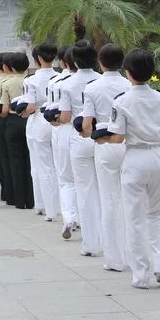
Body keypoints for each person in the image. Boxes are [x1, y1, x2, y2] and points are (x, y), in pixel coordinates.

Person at [107, 49, 160, 290]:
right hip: (157, 155)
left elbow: (117, 138)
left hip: (135, 157)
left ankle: (141, 275)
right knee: (157, 213)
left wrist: (101, 137)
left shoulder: (122, 101)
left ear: (128, 73)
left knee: (135, 218)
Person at [82, 43, 130, 273]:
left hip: (106, 143)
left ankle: (115, 258)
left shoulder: (93, 88)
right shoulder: (130, 84)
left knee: (109, 200)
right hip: (130, 144)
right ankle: (133, 254)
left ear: (100, 62)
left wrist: (90, 134)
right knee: (131, 201)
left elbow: (86, 124)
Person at [58, 40, 103, 256]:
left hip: (79, 138)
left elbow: (65, 117)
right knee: (105, 189)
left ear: (73, 61)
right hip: (103, 138)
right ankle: (106, 236)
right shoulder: (102, 81)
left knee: (84, 190)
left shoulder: (67, 84)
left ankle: (90, 242)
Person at [23, 42, 60, 223]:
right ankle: (58, 205)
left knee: (40, 165)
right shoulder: (59, 77)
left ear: (37, 59)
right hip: (57, 121)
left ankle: (46, 207)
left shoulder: (31, 80)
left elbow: (30, 106)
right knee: (57, 164)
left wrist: (22, 112)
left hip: (38, 120)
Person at [49, 47, 79, 238]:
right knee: (86, 181)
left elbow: (57, 114)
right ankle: (84, 218)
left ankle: (69, 216)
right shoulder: (96, 80)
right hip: (92, 132)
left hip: (65, 129)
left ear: (64, 63)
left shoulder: (59, 82)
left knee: (66, 179)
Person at [0, 52, 34, 209]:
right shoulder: (32, 81)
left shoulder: (7, 84)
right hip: (30, 121)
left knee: (15, 160)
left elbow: (5, 110)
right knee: (31, 160)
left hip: (13, 122)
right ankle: (32, 199)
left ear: (10, 67)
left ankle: (18, 199)